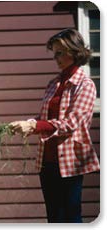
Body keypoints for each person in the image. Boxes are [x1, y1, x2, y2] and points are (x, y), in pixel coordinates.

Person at [9, 28, 100, 223]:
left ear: (74, 52)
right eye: (54, 53)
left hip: (70, 162)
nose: (56, 58)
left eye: (60, 53)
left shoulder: (85, 85)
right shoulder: (54, 83)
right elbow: (45, 117)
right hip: (47, 161)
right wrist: (28, 123)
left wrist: (34, 126)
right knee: (53, 218)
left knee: (71, 217)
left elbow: (72, 122)